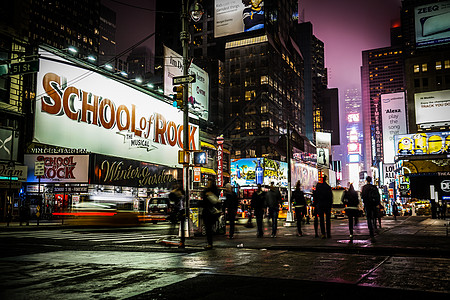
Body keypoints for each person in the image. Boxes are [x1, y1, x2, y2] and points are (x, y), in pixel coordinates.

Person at [201, 179, 221, 249]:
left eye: (209, 183)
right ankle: (209, 243)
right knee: (208, 228)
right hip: (209, 212)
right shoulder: (207, 191)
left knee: (208, 228)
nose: (208, 184)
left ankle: (210, 243)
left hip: (210, 212)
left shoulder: (212, 191)